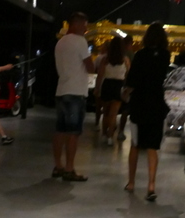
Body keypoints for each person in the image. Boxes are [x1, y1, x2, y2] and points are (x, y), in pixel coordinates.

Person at [124, 21, 171, 201]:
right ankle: (151, 186)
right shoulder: (165, 56)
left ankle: (131, 182)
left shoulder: (140, 55)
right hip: (156, 104)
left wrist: (126, 93)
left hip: (139, 104)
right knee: (152, 147)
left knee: (135, 144)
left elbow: (132, 80)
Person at [52, 11, 95, 182]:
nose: (85, 29)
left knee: (60, 131)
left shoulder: (60, 42)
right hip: (76, 92)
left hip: (61, 90)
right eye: (84, 25)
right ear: (76, 24)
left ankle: (58, 166)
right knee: (73, 133)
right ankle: (69, 169)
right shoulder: (80, 41)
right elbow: (90, 67)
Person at [95, 36, 130, 145]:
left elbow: (100, 75)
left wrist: (97, 88)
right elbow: (128, 75)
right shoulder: (125, 60)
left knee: (105, 112)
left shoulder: (105, 60)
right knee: (113, 114)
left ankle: (104, 134)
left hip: (107, 85)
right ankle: (110, 137)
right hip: (118, 86)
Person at [116, 34, 136, 141]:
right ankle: (122, 131)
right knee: (126, 109)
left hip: (117, 83)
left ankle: (113, 128)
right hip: (128, 85)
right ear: (131, 43)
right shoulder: (131, 55)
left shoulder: (119, 53)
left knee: (116, 108)